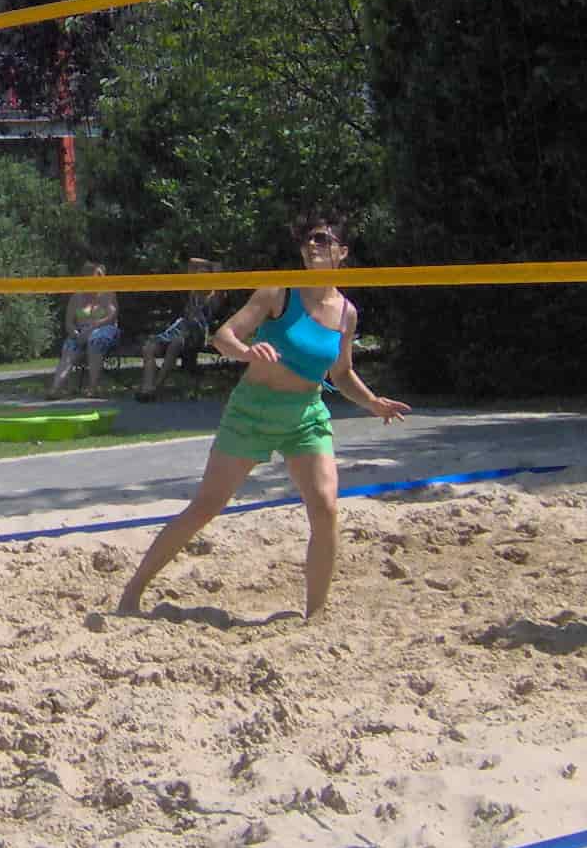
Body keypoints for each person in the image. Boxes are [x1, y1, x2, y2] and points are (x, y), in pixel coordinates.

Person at [117, 213, 410, 621]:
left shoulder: (347, 313)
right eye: (309, 239)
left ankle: (316, 615)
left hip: (305, 415)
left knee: (325, 508)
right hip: (252, 409)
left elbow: (341, 373)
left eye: (323, 240)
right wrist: (247, 352)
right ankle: (131, 595)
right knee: (205, 507)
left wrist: (373, 402)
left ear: (342, 252)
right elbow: (223, 336)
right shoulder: (279, 291)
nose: (313, 246)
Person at [136, 257, 224, 401]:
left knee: (175, 343)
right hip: (179, 329)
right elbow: (191, 262)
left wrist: (212, 265)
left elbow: (218, 265)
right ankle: (147, 386)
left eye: (204, 277)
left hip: (195, 334)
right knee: (148, 348)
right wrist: (207, 265)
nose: (199, 280)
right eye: (198, 277)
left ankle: (156, 388)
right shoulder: (192, 292)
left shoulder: (214, 298)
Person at [48, 262, 120, 398]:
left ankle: (93, 388)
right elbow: (69, 323)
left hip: (104, 329)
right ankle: (55, 388)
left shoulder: (108, 294)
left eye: (99, 275)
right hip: (80, 333)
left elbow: (112, 317)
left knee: (95, 341)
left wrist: (93, 328)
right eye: (91, 275)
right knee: (69, 347)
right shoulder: (76, 297)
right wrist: (75, 334)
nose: (96, 278)